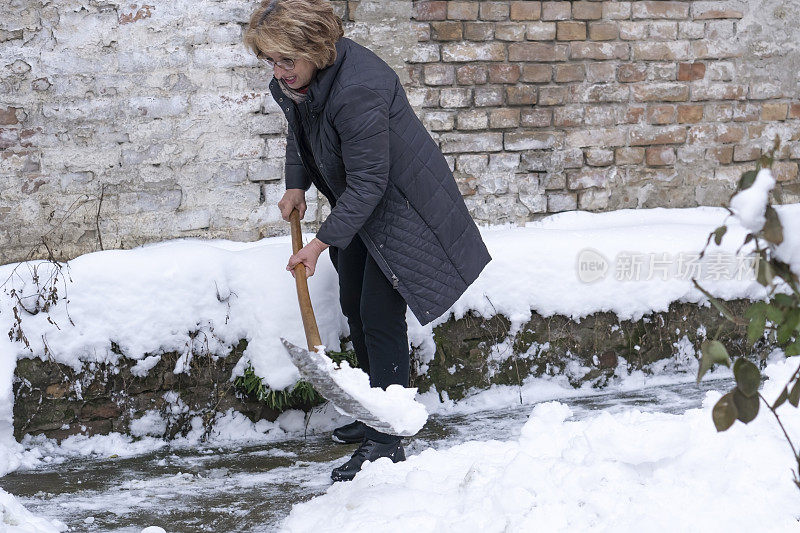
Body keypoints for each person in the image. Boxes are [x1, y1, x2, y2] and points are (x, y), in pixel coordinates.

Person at [244, 0, 491, 482]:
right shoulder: (299, 80)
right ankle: (372, 409)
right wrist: (296, 182)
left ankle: (387, 437)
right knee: (354, 303)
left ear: (315, 49)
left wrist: (317, 244)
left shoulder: (357, 90)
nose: (278, 71)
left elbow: (371, 182)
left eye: (286, 60)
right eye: (270, 60)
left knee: (379, 314)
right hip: (361, 203)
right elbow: (303, 133)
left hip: (402, 208)